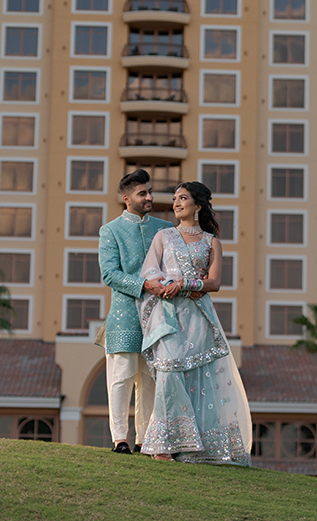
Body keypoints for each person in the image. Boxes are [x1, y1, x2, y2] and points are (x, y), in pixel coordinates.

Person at [137, 182, 252, 465]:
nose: (177, 203)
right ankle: (163, 443)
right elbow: (150, 272)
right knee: (169, 369)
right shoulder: (164, 237)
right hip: (167, 314)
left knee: (200, 380)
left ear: (198, 206)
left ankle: (194, 448)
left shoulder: (212, 242)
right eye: (175, 198)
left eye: (183, 198)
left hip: (198, 316)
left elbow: (214, 283)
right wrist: (165, 286)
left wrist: (186, 284)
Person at [98, 169, 172, 454]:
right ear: (126, 198)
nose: (149, 197)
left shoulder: (164, 229)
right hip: (124, 315)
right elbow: (110, 275)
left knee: (150, 379)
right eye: (143, 193)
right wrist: (145, 285)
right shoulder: (111, 230)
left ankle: (145, 440)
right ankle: (120, 439)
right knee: (121, 377)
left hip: (157, 316)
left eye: (150, 191)